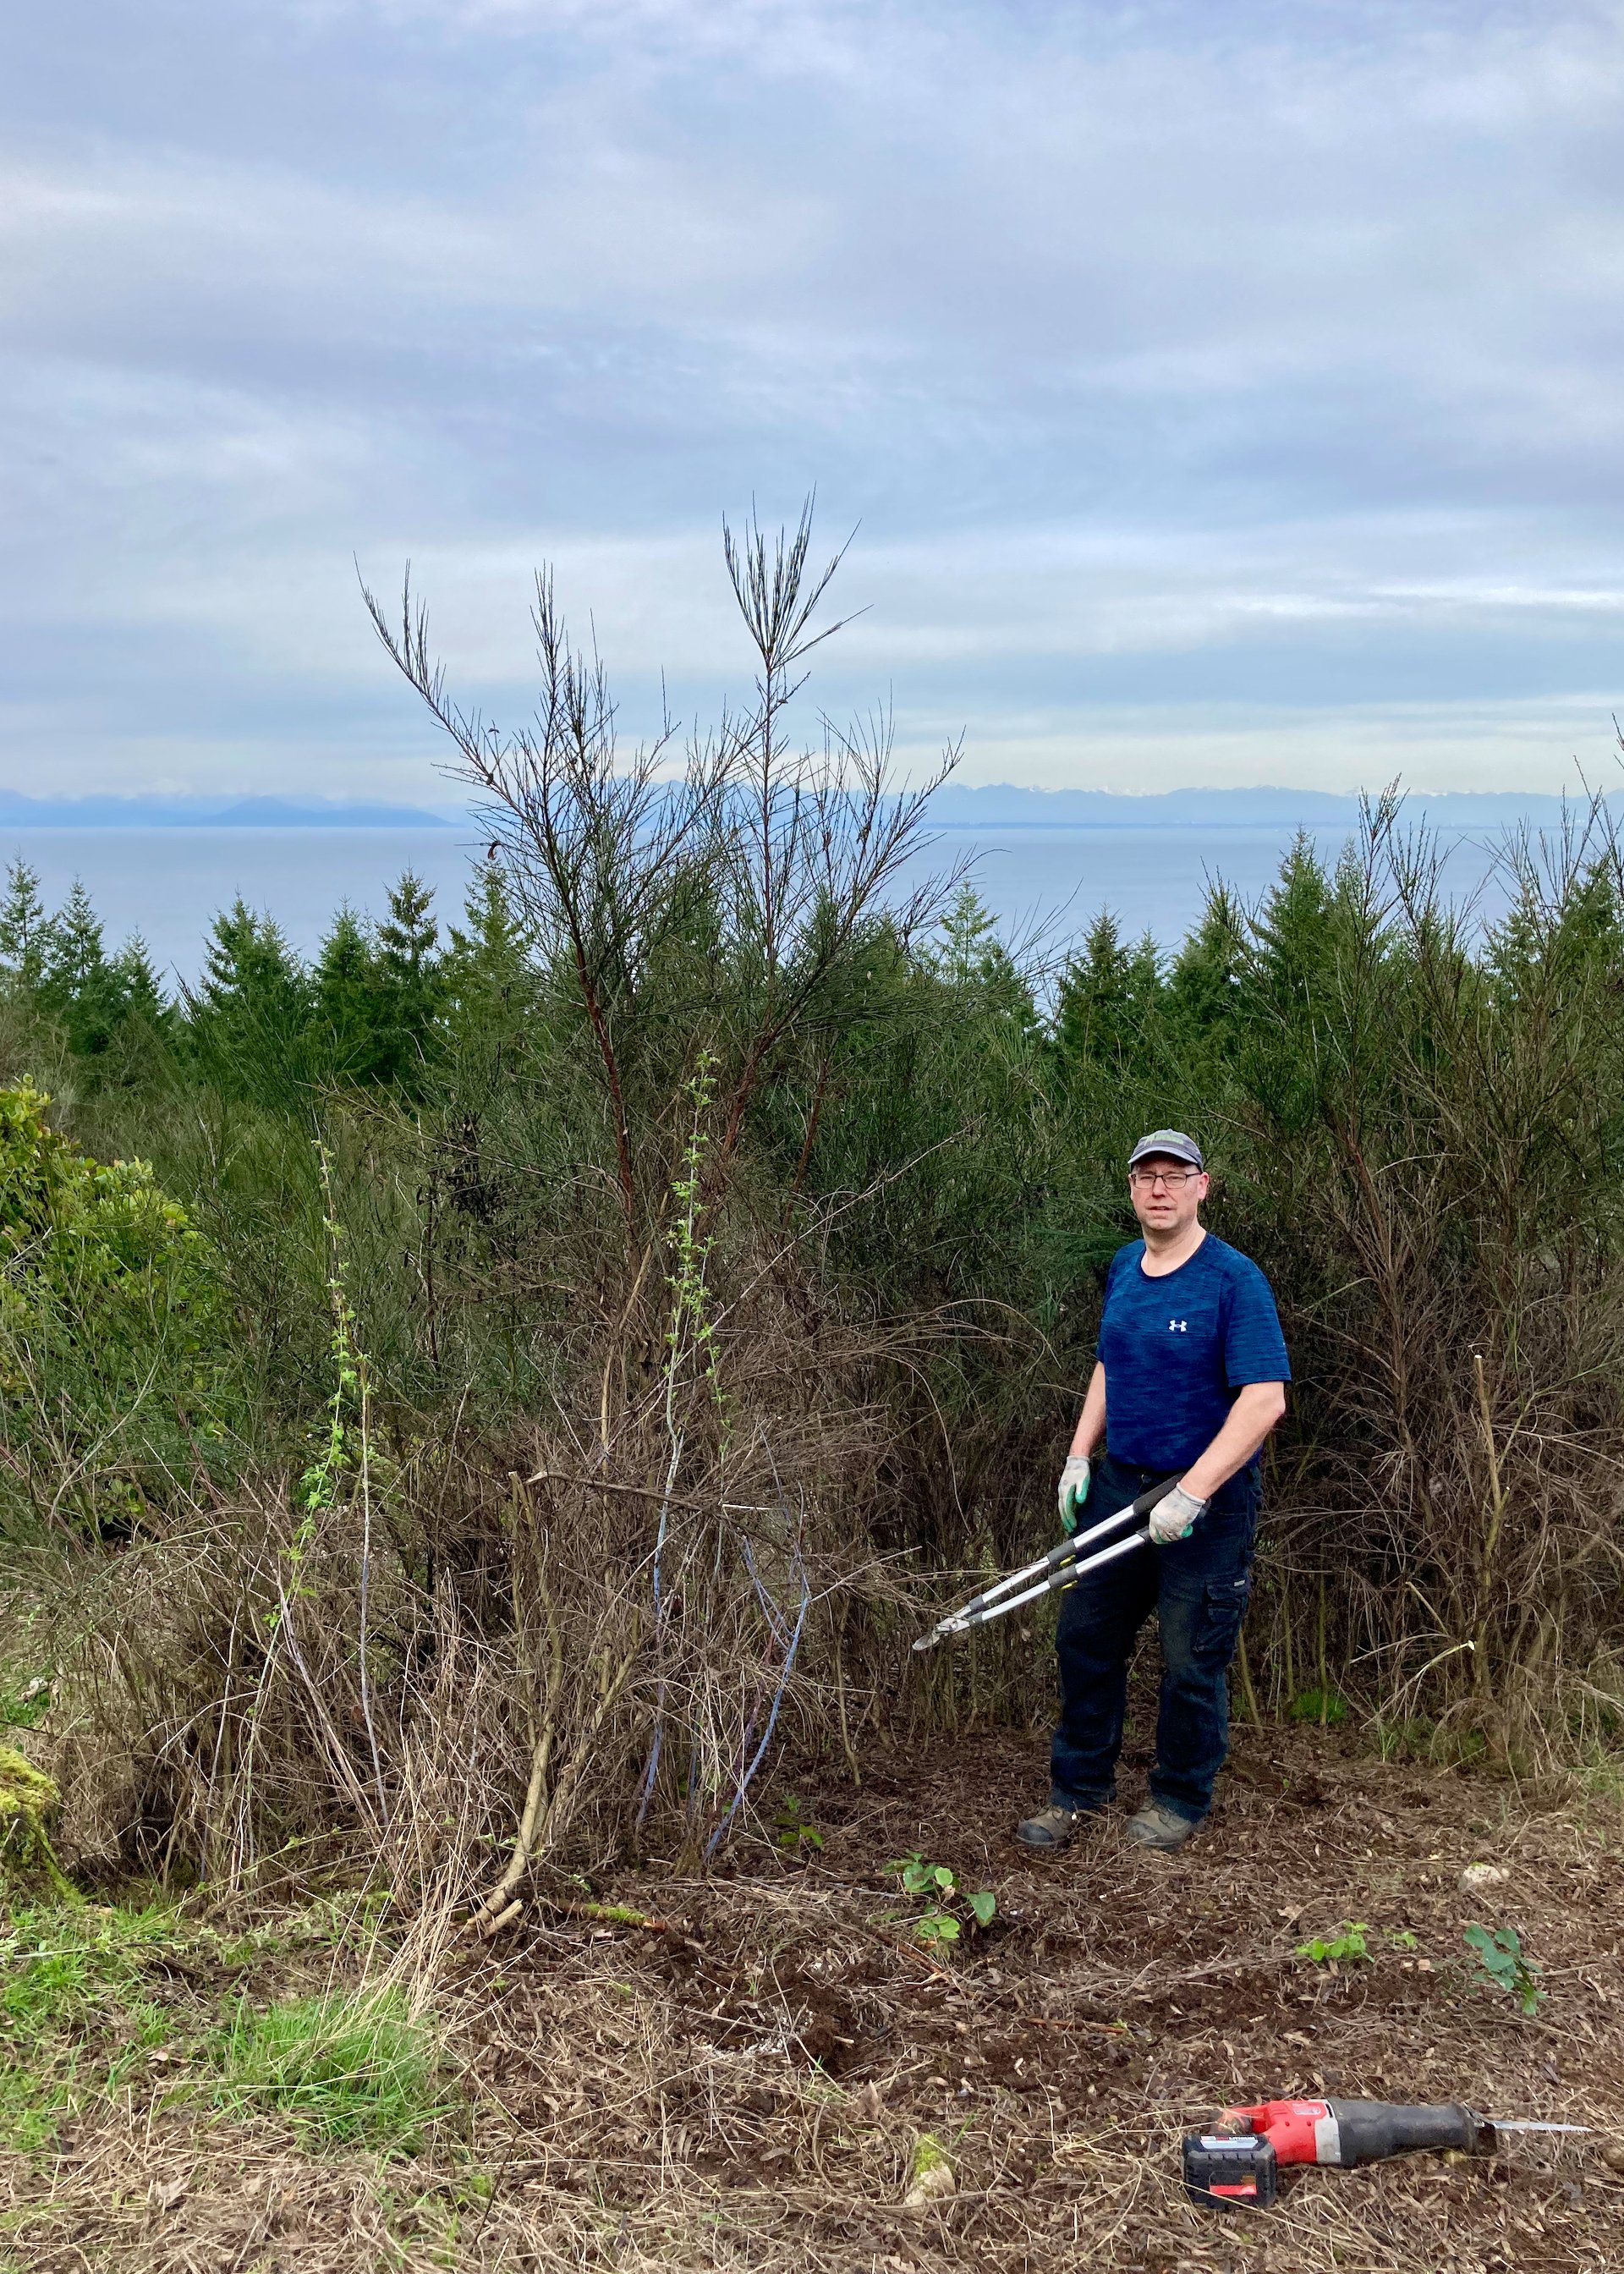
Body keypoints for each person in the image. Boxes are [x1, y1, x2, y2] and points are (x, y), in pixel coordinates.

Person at [1017, 1129, 1289, 1854]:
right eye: (1147, 1176)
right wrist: (1079, 1456)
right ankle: (1078, 1790)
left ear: (1203, 1186)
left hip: (1207, 1502)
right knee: (1085, 1638)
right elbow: (1111, 1364)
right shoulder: (1125, 1269)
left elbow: (1264, 1401)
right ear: (1132, 1188)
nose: (1159, 1188)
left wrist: (1194, 1494)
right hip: (1117, 1487)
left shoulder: (1234, 1279)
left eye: (1175, 1175)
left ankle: (1178, 1798)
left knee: (1190, 1657)